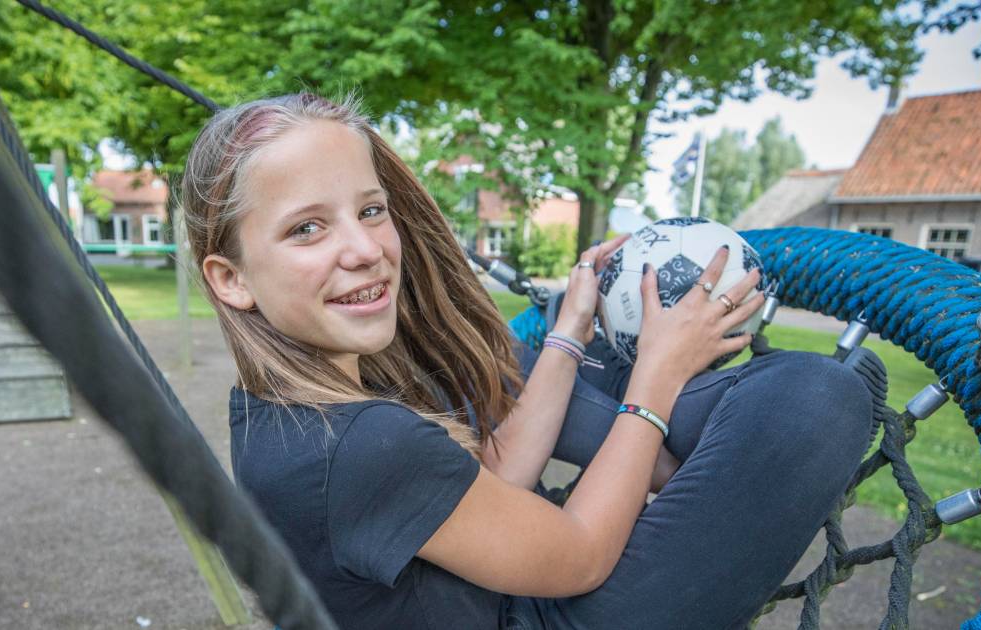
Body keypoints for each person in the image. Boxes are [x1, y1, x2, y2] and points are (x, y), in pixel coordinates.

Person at [181, 93, 874, 630]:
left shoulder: (283, 411)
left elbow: (498, 478)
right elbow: (580, 552)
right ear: (231, 278)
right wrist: (656, 381)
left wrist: (572, 328)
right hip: (547, 611)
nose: (364, 249)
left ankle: (674, 459)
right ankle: (682, 455)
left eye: (370, 210)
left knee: (529, 360)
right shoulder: (359, 446)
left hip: (511, 590)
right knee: (820, 399)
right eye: (307, 228)